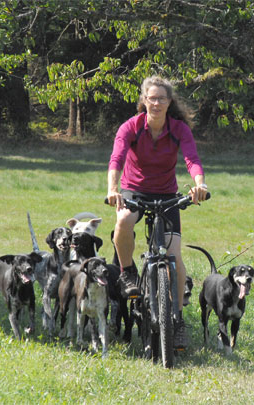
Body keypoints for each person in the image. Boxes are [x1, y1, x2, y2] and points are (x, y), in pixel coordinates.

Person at [106, 76, 208, 349]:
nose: (157, 103)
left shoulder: (179, 129)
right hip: (134, 190)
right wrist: (112, 189)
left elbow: (192, 159)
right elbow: (116, 158)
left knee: (173, 254)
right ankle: (127, 272)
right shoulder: (131, 127)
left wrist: (200, 185)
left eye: (162, 98)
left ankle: (177, 319)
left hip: (166, 194)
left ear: (169, 102)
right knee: (124, 219)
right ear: (144, 100)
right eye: (152, 98)